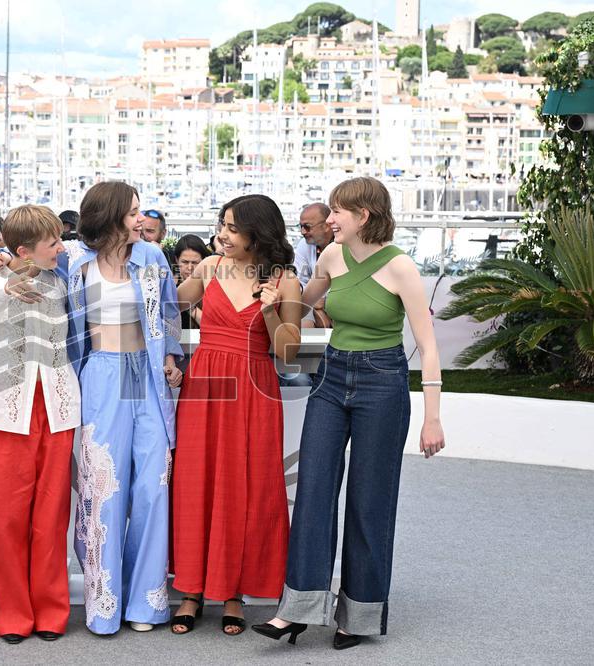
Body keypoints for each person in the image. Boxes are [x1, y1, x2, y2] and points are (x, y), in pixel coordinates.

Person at [252, 176, 445, 650]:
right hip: (332, 378)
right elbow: (306, 304)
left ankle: (357, 616)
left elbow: (428, 345)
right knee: (315, 489)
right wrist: (276, 301)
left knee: (369, 501)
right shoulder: (331, 257)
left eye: (338, 211)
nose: (328, 220)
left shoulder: (401, 267)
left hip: (383, 381)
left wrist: (432, 417)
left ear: (366, 216)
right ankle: (296, 611)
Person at [5, 181, 183, 635]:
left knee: (152, 486)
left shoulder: (153, 257)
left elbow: (167, 313)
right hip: (99, 374)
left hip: (145, 374)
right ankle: (104, 602)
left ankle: (146, 602)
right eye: (133, 213)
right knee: (102, 487)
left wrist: (170, 354)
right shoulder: (74, 262)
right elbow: (23, 264)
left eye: (141, 212)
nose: (141, 220)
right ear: (109, 217)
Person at [170, 194, 303, 636]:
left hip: (254, 387)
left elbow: (288, 352)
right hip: (205, 384)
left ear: (256, 233)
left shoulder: (285, 280)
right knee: (197, 481)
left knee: (245, 486)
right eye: (221, 225)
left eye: (232, 228)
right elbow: (166, 304)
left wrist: (268, 311)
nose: (222, 235)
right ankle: (190, 589)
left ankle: (234, 593)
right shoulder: (208, 268)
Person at [0, 205, 81, 645]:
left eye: (59, 240)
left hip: (57, 409)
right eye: (51, 241)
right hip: (4, 412)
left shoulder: (62, 276)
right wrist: (4, 274)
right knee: (4, 518)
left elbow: (85, 246)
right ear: (22, 249)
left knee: (52, 516)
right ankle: (12, 613)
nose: (60, 246)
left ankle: (52, 610)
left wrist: (50, 253)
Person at [293, 203, 334, 329]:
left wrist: (325, 302)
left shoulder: (344, 246)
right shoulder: (304, 245)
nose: (302, 232)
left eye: (307, 227)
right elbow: (300, 281)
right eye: (300, 226)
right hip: (311, 302)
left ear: (327, 226)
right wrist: (317, 305)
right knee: (302, 318)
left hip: (337, 302)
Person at [172, 234, 212, 329]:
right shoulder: (169, 286)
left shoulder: (210, 287)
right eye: (185, 262)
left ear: (204, 261)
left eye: (195, 262)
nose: (190, 268)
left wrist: (190, 306)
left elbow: (212, 326)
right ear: (177, 260)